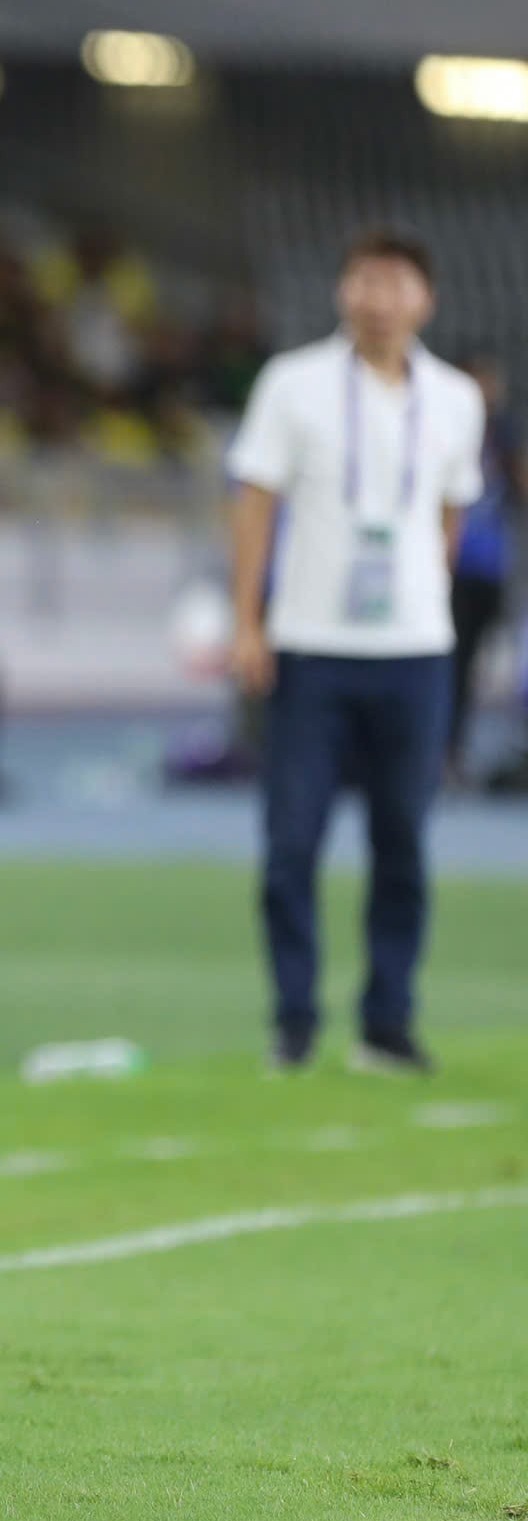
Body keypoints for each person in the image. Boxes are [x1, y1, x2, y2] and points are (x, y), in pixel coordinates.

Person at [229, 230, 484, 1074]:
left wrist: (426, 600)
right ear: (343, 292)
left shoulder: (453, 398)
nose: (379, 297)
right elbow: (255, 505)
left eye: (397, 283)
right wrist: (248, 621)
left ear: (426, 299)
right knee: (292, 842)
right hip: (312, 646)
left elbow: (450, 513)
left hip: (414, 651)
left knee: (404, 842)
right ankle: (295, 1020)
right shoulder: (294, 383)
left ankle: (387, 1021)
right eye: (365, 280)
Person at [448, 351, 521, 778]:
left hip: (490, 570)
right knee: (446, 665)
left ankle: (456, 750)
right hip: (448, 568)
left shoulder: (503, 433)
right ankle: (440, 751)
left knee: (471, 665)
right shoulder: (442, 428)